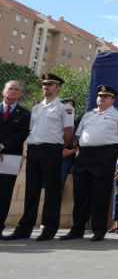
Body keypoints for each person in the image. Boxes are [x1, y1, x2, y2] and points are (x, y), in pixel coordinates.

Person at [3, 73, 74, 242]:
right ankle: (25, 228)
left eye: (50, 85)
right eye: (44, 84)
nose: (46, 87)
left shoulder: (65, 108)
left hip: (52, 149)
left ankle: (49, 228)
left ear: (58, 88)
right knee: (31, 189)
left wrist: (59, 148)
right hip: (34, 150)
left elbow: (68, 132)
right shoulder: (36, 108)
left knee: (51, 190)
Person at [59, 85, 118, 242]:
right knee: (80, 192)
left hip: (105, 154)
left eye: (106, 96)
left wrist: (110, 146)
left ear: (113, 100)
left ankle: (99, 229)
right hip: (84, 154)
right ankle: (77, 228)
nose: (102, 98)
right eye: (100, 96)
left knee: (100, 192)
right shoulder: (88, 115)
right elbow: (78, 136)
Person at [0, 81, 31, 238]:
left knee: (4, 193)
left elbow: (22, 135)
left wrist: (3, 146)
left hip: (10, 156)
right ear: (3, 91)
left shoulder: (25, 114)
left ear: (20, 94)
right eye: (10, 88)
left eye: (16, 90)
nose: (12, 92)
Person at [59, 98, 79, 190]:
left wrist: (71, 151)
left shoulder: (78, 122)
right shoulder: (56, 120)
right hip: (53, 153)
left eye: (71, 105)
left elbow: (81, 139)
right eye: (66, 105)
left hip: (68, 155)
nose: (68, 108)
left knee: (60, 182)